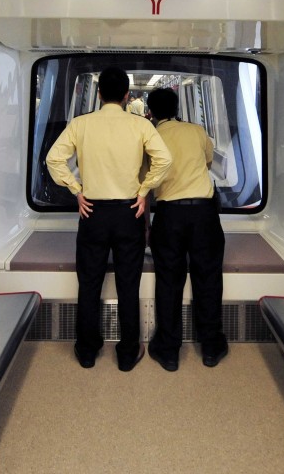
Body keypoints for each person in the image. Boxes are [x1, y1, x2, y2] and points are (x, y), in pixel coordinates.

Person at [46, 67, 172, 371]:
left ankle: (87, 351)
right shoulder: (140, 125)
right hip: (129, 212)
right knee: (129, 284)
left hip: (93, 212)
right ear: (127, 95)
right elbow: (164, 159)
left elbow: (54, 158)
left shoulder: (81, 123)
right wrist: (144, 191)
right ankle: (128, 353)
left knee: (89, 283)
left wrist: (76, 190)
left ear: (99, 93)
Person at [146, 87, 227, 371]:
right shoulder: (196, 130)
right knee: (208, 278)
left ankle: (168, 351)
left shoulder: (152, 135)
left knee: (169, 281)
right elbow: (207, 161)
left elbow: (148, 176)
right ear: (178, 107)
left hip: (169, 214)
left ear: (151, 112)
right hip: (204, 214)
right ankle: (211, 347)